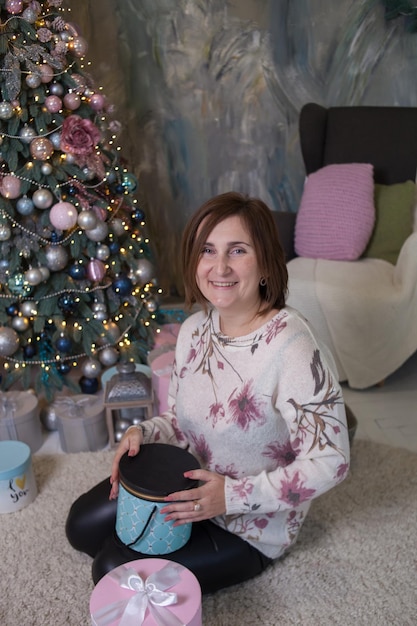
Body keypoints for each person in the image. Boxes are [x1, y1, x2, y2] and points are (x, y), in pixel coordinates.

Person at [66, 191, 350, 594]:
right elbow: (183, 423)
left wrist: (229, 497)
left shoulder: (292, 347)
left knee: (112, 568)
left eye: (237, 251)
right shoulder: (194, 330)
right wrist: (143, 434)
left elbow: (332, 461)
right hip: (182, 486)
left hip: (249, 525)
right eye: (207, 251)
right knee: (80, 526)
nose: (220, 267)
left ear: (266, 262)